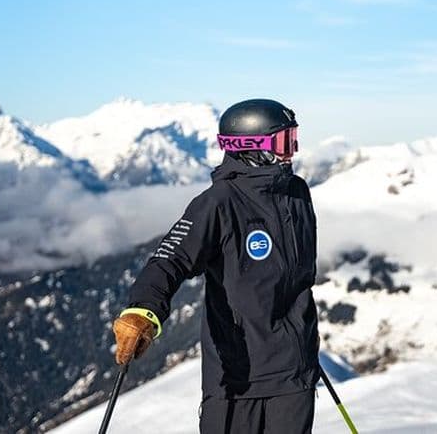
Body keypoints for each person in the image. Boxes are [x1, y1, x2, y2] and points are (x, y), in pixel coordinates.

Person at [111, 99, 320, 434]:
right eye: (284, 142)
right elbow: (169, 259)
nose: (291, 152)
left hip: (295, 377)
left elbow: (299, 278)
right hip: (237, 378)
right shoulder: (217, 202)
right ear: (252, 147)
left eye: (293, 140)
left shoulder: (297, 194)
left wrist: (304, 343)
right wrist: (143, 310)